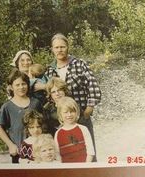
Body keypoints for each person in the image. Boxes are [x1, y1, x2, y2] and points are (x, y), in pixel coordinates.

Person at [41, 33, 101, 162]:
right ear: (52, 49)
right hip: (61, 118)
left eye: (62, 47)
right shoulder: (50, 70)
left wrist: (89, 108)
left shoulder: (79, 64)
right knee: (66, 153)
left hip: (80, 115)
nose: (59, 50)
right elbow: (46, 91)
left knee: (88, 151)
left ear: (67, 47)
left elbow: (93, 84)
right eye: (56, 47)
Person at [0, 68, 42, 163]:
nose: (21, 87)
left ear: (28, 85)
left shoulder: (36, 103)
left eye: (24, 84)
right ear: (11, 87)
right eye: (17, 85)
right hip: (18, 151)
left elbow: (43, 125)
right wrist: (10, 145)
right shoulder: (7, 106)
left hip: (37, 149)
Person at [54, 96, 95, 163]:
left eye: (72, 111)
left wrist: (86, 166)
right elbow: (57, 155)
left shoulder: (83, 129)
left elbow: (90, 151)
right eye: (66, 112)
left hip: (83, 166)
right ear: (60, 115)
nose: (69, 115)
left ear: (76, 112)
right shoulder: (58, 133)